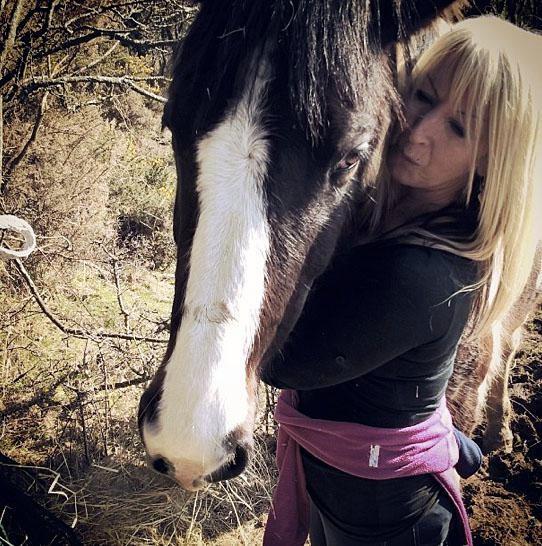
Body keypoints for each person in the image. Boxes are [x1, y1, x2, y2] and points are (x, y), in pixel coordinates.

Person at [261, 15, 541, 546]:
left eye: (458, 128)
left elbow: (281, 363)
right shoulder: (388, 209)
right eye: (423, 96)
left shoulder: (422, 274)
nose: (419, 130)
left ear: (490, 160)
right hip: (338, 485)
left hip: (386, 520)